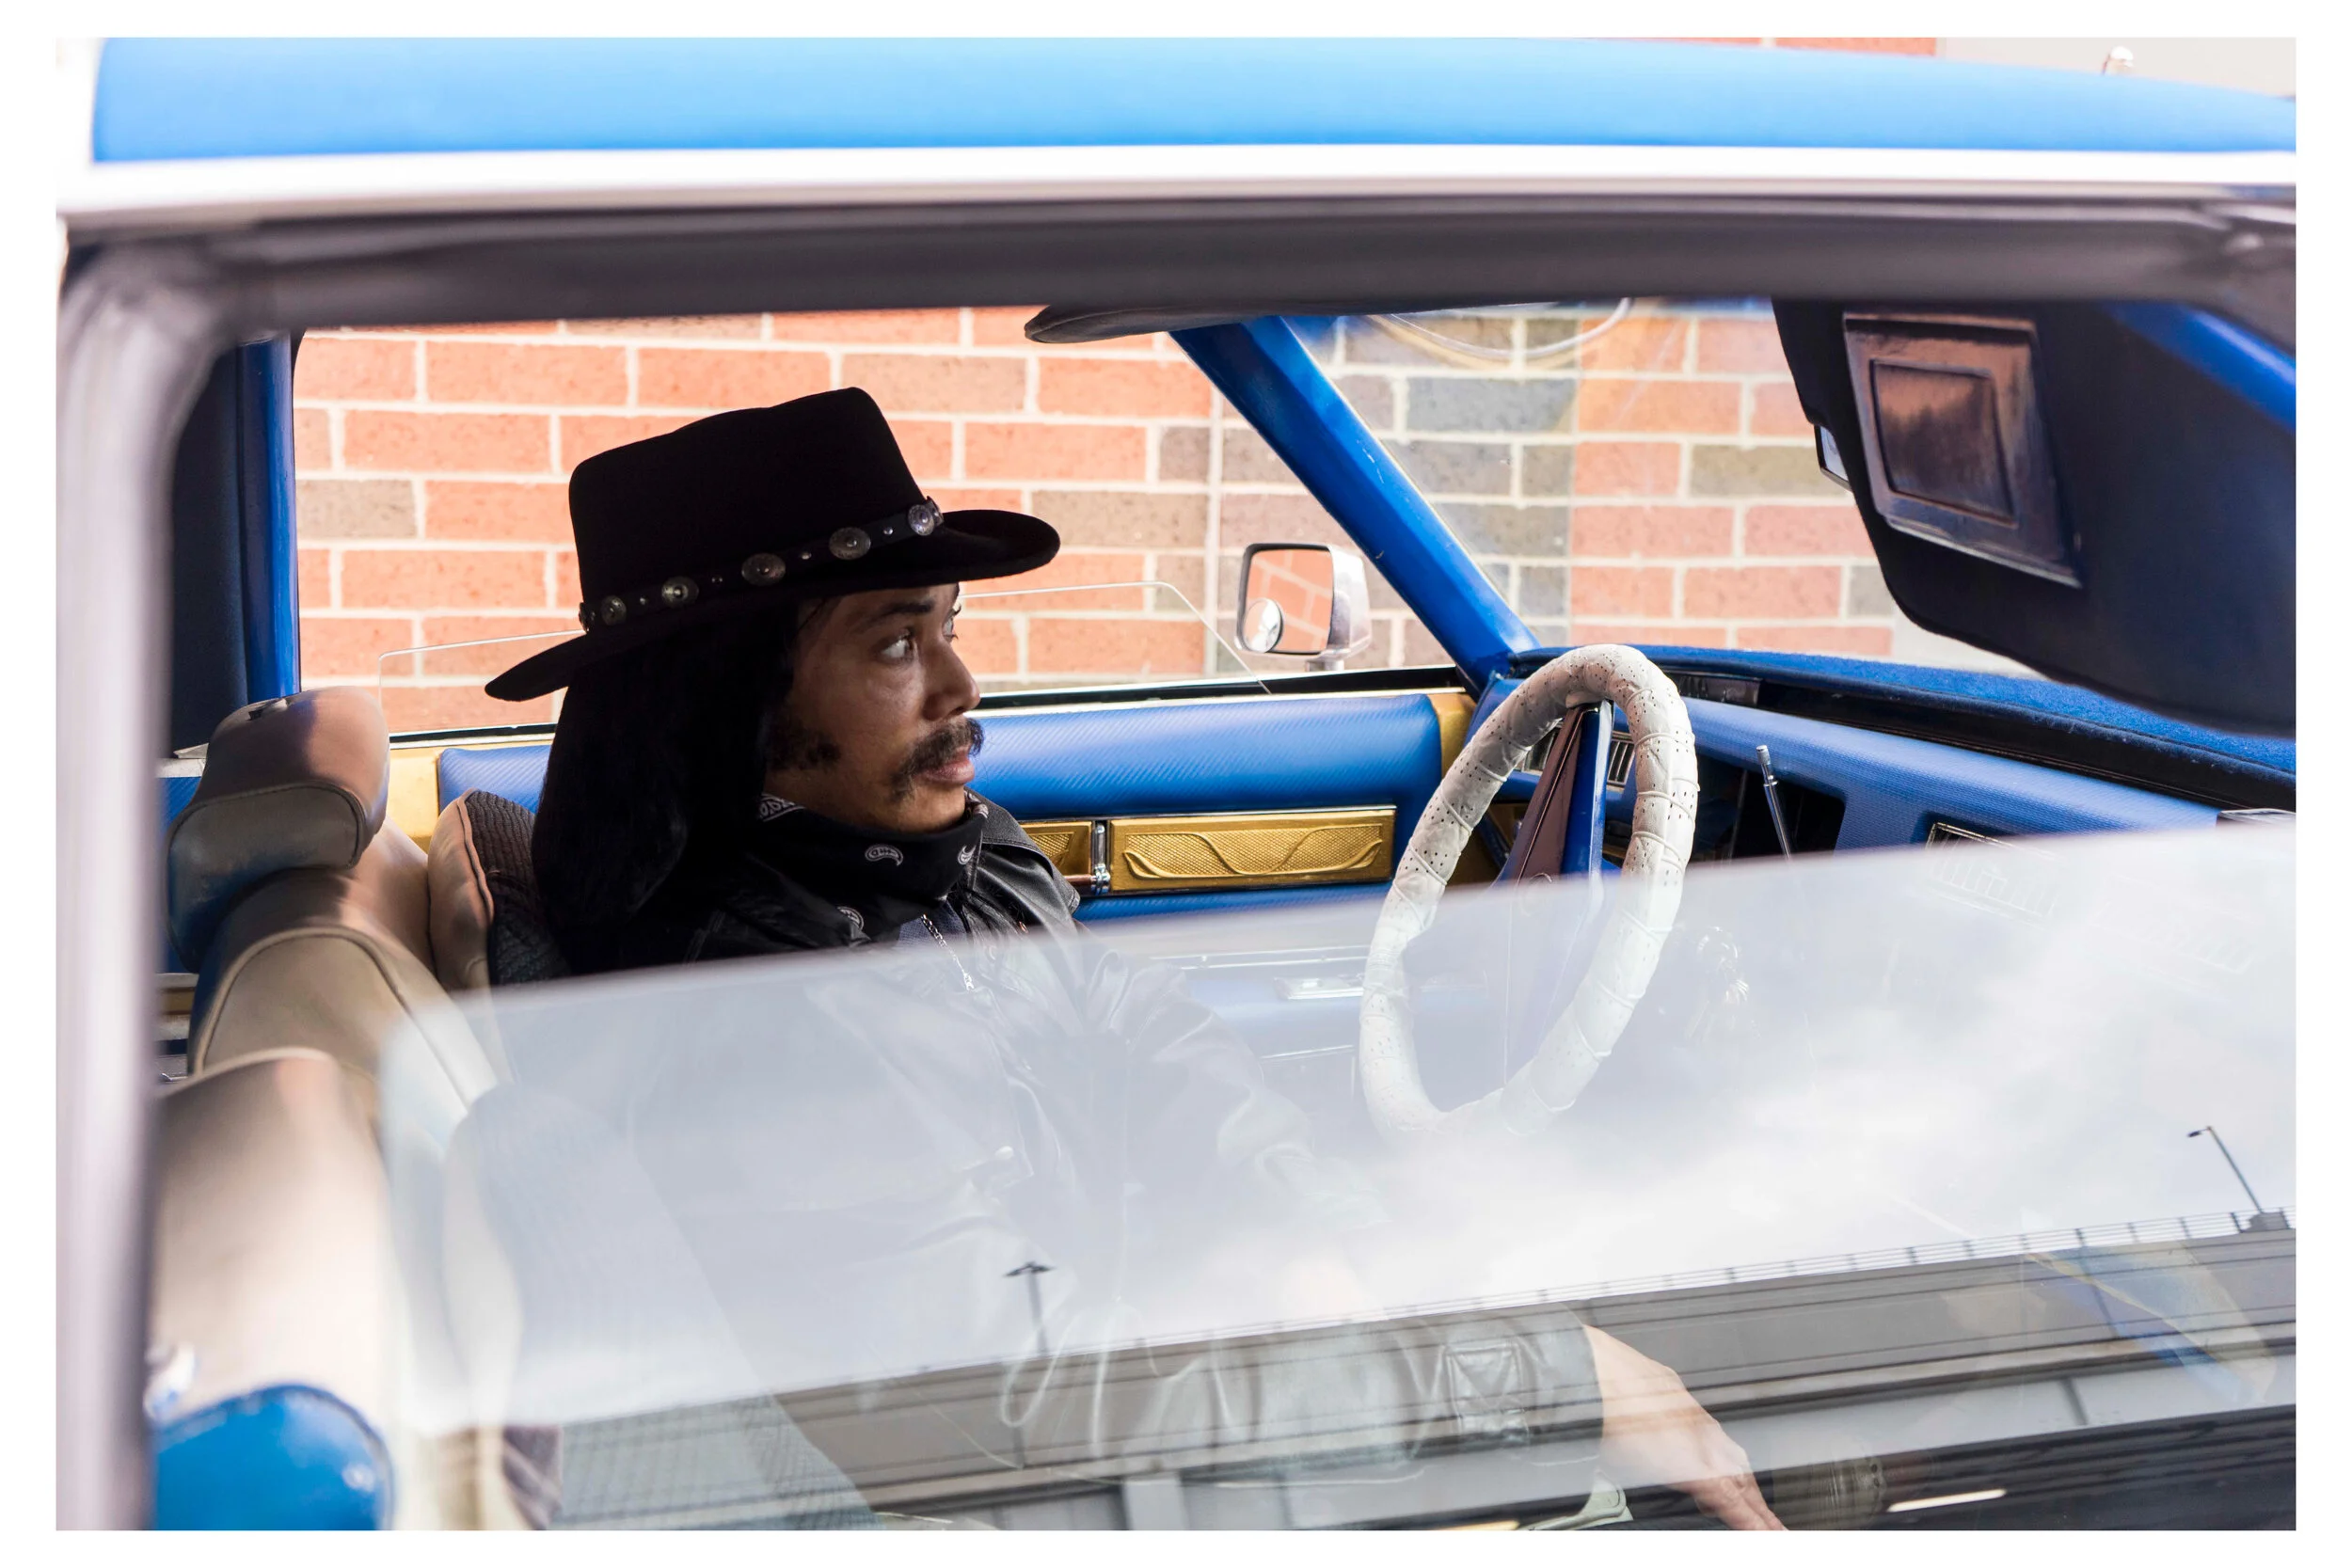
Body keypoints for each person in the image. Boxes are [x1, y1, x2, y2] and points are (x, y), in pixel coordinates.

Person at [485, 388, 1780, 1529]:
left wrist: (1317, 1231)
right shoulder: (765, 1038)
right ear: (733, 716)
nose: (960, 682)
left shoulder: (935, 861)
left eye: (946, 624)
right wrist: (1547, 1380)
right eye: (894, 643)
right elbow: (1039, 1430)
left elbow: (1134, 1025)